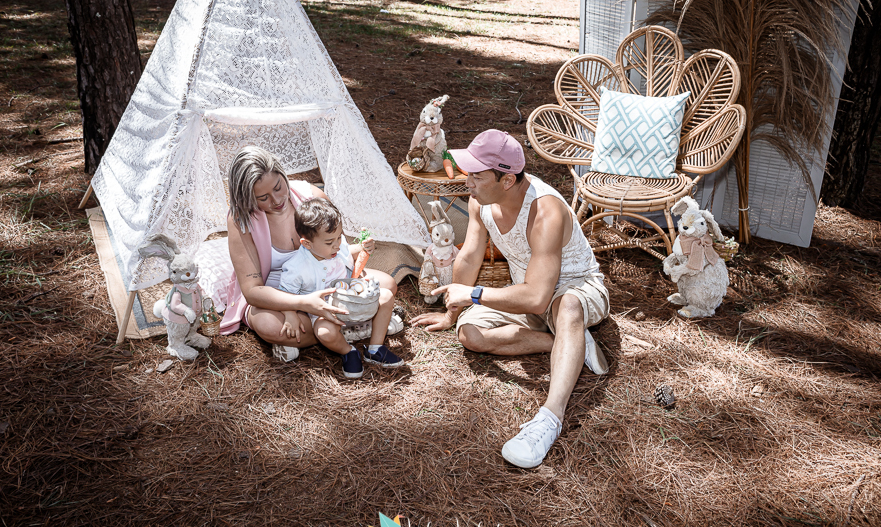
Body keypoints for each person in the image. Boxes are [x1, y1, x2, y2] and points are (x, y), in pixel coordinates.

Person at [410, 129, 610, 469]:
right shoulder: (480, 201)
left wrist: (473, 294)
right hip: (531, 295)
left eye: (477, 174)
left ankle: (549, 418)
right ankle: (565, 344)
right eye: (468, 172)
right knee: (470, 336)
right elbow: (471, 256)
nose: (467, 181)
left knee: (569, 305)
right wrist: (452, 313)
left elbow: (536, 297)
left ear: (506, 180)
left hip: (575, 289)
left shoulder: (546, 211)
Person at [221, 146, 401, 362]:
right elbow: (252, 291)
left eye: (279, 188)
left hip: (326, 279)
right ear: (247, 198)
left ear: (283, 175)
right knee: (268, 325)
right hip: (280, 292)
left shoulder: (311, 196)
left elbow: (336, 246)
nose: (277, 200)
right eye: (263, 198)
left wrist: (353, 267)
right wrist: (301, 304)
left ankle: (331, 332)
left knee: (387, 284)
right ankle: (357, 328)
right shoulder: (242, 220)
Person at [279, 198, 404, 378]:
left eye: (339, 237)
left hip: (352, 299)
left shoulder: (337, 246)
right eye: (330, 242)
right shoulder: (297, 267)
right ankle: (348, 351)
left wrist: (363, 247)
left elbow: (347, 249)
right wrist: (290, 314)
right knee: (324, 332)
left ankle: (375, 348)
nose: (337, 244)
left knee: (385, 296)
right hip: (326, 311)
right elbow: (285, 293)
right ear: (307, 244)